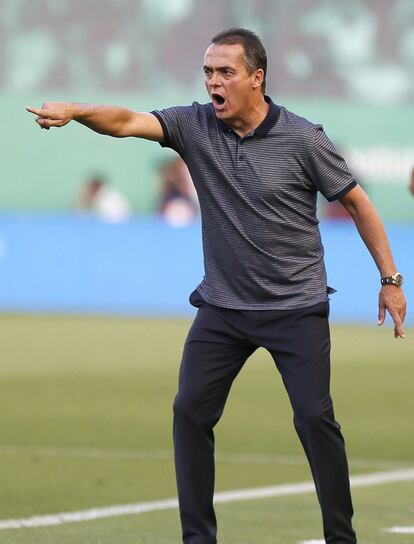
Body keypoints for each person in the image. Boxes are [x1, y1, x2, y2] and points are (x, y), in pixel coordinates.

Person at [27, 27, 406, 544]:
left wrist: (389, 279)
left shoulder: (303, 139)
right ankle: (198, 539)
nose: (213, 83)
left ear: (257, 78)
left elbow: (360, 204)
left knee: (315, 419)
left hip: (295, 306)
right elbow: (126, 121)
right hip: (224, 307)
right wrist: (76, 109)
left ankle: (342, 537)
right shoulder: (193, 125)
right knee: (189, 412)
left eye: (225, 72)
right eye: (208, 72)